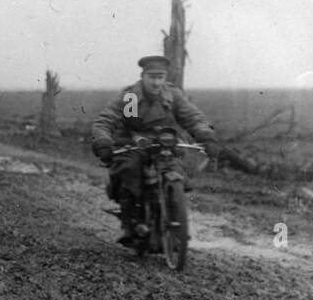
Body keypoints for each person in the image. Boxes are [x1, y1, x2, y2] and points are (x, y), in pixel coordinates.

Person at [90, 56, 220, 247]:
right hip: (134, 144)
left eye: (161, 77)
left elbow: (193, 117)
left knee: (178, 170)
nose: (157, 82)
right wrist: (103, 142)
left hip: (165, 144)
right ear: (143, 76)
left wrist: (207, 137)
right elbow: (106, 120)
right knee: (130, 171)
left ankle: (175, 214)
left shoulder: (172, 95)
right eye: (152, 77)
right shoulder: (132, 98)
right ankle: (130, 222)